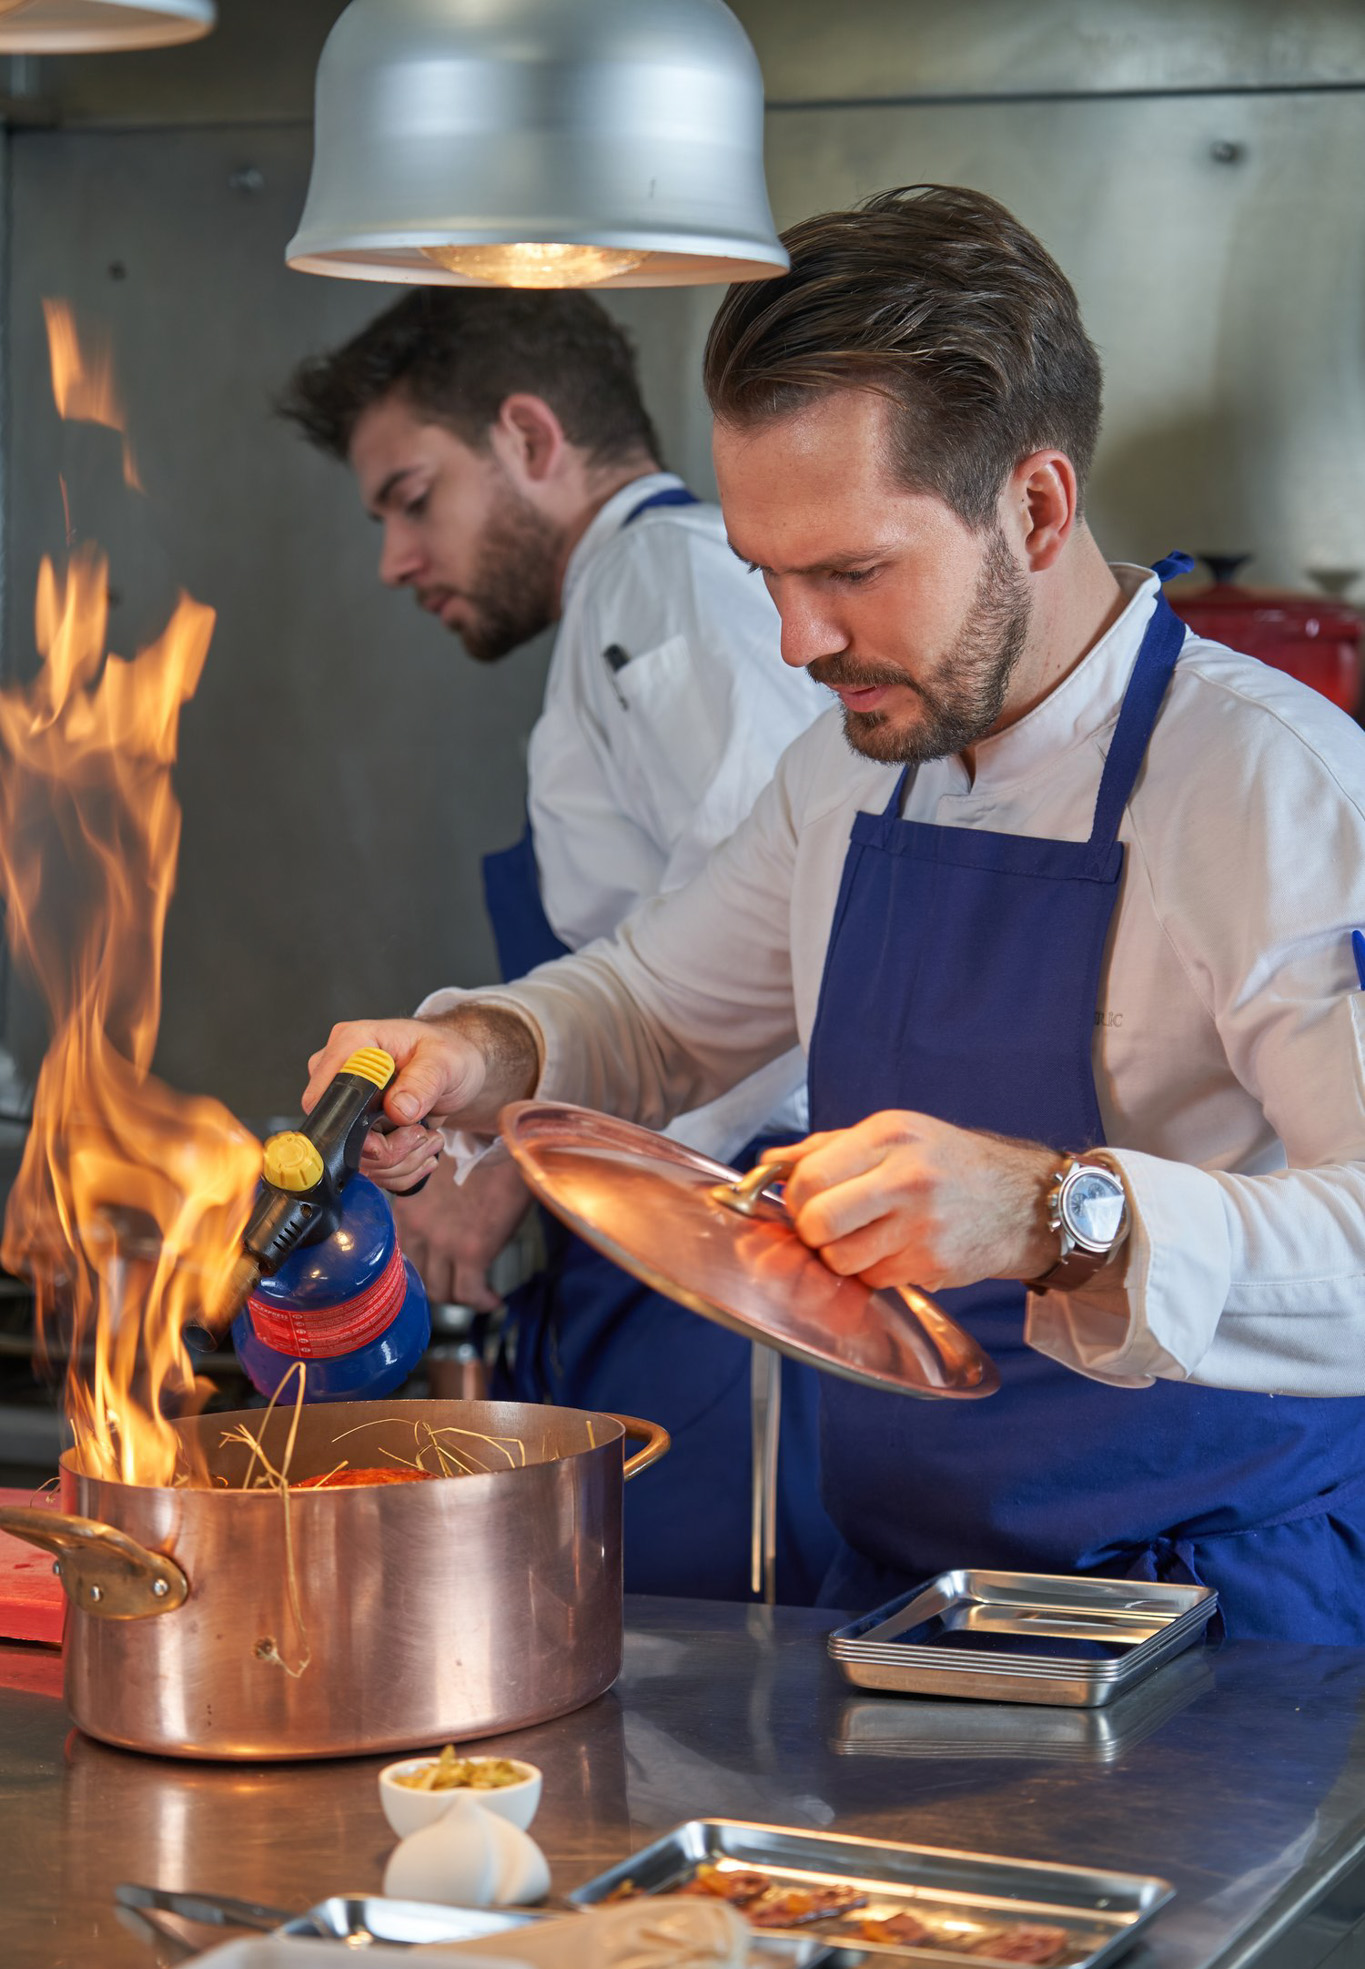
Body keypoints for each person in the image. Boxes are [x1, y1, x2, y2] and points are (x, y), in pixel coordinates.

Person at [303, 186, 1365, 1644]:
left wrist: (1056, 1215)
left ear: (1035, 509)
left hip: (1210, 1622)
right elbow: (656, 1012)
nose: (800, 641)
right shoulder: (853, 769)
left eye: (851, 572)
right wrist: (480, 1051)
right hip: (904, 1611)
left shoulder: (1273, 785)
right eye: (768, 576)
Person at [280, 288, 835, 1602]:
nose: (396, 559)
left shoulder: (664, 583)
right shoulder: (622, 610)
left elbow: (778, 943)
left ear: (530, 438)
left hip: (724, 1257)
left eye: (413, 499)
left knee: (694, 1666)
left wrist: (519, 1161)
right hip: (656, 1258)